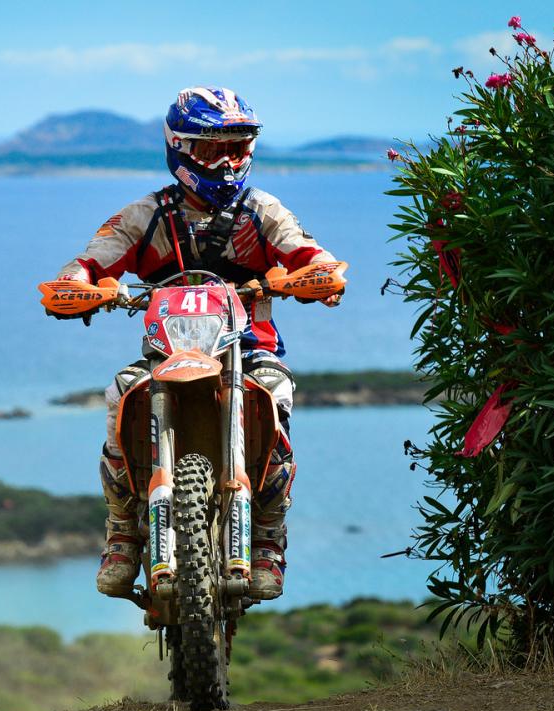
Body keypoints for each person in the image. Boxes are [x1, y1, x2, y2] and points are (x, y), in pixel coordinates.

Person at [55, 86, 342, 602]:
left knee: (275, 394)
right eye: (212, 150)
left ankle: (268, 542)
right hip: (168, 350)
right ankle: (122, 532)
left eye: (237, 147)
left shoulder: (264, 210)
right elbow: (93, 259)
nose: (227, 162)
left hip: (247, 346)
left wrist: (316, 276)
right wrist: (75, 286)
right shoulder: (147, 214)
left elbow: (310, 253)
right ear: (181, 149)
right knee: (121, 394)